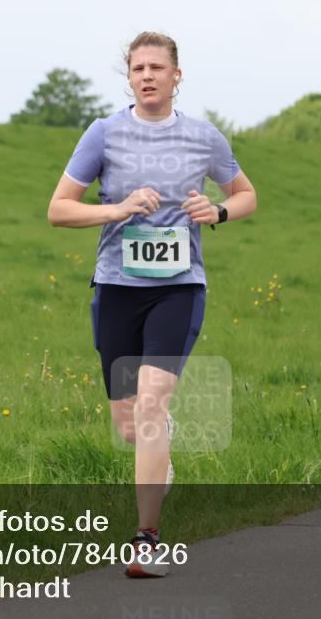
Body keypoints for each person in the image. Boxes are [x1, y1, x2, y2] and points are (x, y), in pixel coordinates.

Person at [47, 31, 257, 577]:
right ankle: (159, 445)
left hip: (178, 288)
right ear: (129, 77)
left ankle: (146, 541)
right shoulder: (104, 133)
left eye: (156, 67)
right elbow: (59, 210)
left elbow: (246, 194)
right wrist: (115, 210)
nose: (146, 76)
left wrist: (218, 211)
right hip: (117, 287)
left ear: (175, 75)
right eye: (138, 68)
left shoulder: (203, 137)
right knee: (128, 423)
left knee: (150, 408)